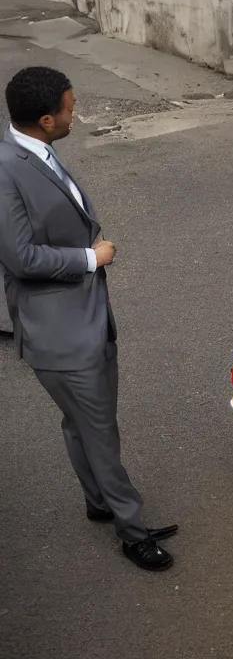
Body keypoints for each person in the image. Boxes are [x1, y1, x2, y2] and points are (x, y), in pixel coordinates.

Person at [0, 66, 177, 571]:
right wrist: (89, 259)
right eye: (72, 108)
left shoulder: (34, 150)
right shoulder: (6, 169)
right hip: (62, 334)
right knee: (99, 431)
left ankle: (99, 502)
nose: (77, 114)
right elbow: (20, 259)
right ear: (45, 118)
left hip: (83, 319)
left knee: (81, 426)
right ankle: (132, 530)